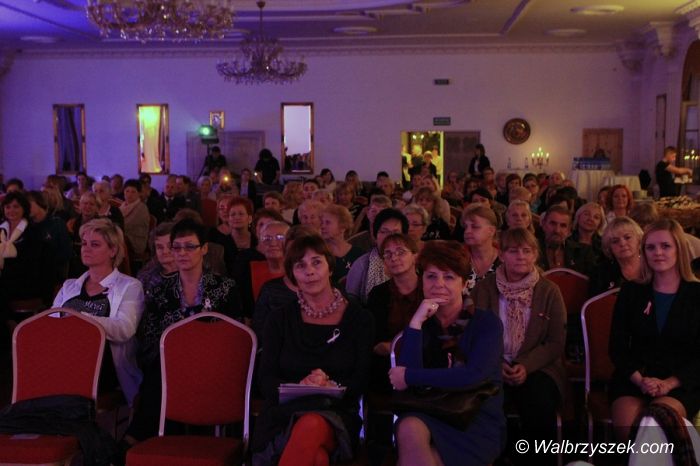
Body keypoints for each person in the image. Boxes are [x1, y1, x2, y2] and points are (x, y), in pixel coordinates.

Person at [252, 234, 374, 466]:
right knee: (317, 459)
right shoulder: (279, 319)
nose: (309, 271)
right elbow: (265, 380)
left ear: (330, 268)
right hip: (284, 414)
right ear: (292, 275)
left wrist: (330, 385)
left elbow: (362, 379)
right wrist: (300, 386)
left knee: (311, 424)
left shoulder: (360, 319)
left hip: (336, 412)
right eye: (300, 266)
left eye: (316, 262)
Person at [389, 240, 505, 466]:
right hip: (429, 410)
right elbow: (404, 385)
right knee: (409, 426)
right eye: (431, 276)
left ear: (464, 284)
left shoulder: (486, 323)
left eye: (449, 277)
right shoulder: (420, 323)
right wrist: (416, 323)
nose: (438, 284)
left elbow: (473, 375)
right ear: (422, 281)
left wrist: (411, 376)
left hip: (473, 415)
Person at [127, 219, 242, 445]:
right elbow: (151, 338)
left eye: (189, 247)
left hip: (214, 363)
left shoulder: (225, 287)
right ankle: (164, 441)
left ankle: (137, 438)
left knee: (163, 375)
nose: (182, 253)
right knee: (160, 370)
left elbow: (235, 336)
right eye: (177, 247)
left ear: (204, 249)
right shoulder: (160, 292)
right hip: (171, 364)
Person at [471, 228, 566, 466]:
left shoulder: (549, 291)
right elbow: (477, 336)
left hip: (539, 366)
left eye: (527, 250)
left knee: (539, 402)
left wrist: (525, 365)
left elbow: (556, 342)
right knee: (485, 401)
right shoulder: (484, 289)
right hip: (493, 364)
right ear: (501, 255)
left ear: (535, 255)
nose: (521, 256)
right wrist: (497, 363)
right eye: (513, 251)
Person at [609, 218, 700, 442]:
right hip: (634, 379)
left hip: (680, 383)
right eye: (650, 247)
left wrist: (669, 383)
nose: (657, 253)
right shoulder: (631, 291)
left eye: (665, 246)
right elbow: (617, 347)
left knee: (655, 427)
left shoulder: (696, 294)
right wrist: (640, 380)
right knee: (629, 430)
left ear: (679, 249)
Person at [53, 218, 144, 406]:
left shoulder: (130, 286)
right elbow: (50, 324)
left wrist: (80, 319)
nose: (86, 249)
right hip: (66, 357)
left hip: (105, 365)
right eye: (84, 243)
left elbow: (124, 329)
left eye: (95, 244)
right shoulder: (70, 286)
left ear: (113, 250)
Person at [0, 192, 54, 345]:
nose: (11, 210)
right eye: (8, 207)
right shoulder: (1, 231)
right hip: (6, 280)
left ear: (24, 208)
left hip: (26, 281)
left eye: (16, 206)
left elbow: (36, 264)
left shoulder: (33, 232)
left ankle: (10, 329)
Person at [346, 208, 408, 306]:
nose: (389, 237)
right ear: (375, 235)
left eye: (396, 232)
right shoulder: (362, 265)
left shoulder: (411, 262)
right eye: (384, 232)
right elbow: (351, 303)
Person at [536, 205, 598, 277]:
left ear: (569, 230)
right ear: (543, 224)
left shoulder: (583, 252)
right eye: (553, 223)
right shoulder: (531, 249)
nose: (557, 230)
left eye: (563, 225)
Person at [26, 190, 72, 285]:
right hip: (32, 275)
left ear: (39, 202)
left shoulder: (56, 223)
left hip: (53, 275)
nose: (26, 208)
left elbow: (66, 253)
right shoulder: (27, 226)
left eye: (29, 204)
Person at [589, 217, 643, 296]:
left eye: (627, 237)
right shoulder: (600, 274)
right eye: (615, 241)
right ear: (609, 248)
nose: (622, 243)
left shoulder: (652, 267)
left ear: (639, 240)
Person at [320, 204, 364, 285]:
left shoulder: (359, 254)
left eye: (327, 223)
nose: (322, 226)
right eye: (322, 223)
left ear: (342, 227)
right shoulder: (320, 255)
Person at [461, 204, 500, 295]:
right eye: (466, 227)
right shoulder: (458, 257)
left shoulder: (506, 260)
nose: (467, 231)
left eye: (475, 227)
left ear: (491, 231)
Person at [120, 179, 151, 274]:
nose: (129, 194)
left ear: (139, 194)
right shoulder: (122, 206)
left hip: (136, 240)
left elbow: (127, 225)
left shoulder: (141, 208)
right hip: (124, 237)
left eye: (133, 192)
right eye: (127, 191)